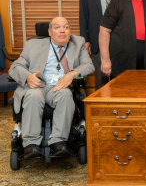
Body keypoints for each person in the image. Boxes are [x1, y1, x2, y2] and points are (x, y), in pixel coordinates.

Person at [9, 17, 95, 159]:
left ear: (70, 31)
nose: (62, 30)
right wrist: (28, 77)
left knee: (66, 95)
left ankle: (58, 142)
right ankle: (30, 144)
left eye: (66, 27)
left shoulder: (78, 43)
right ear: (49, 31)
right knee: (34, 95)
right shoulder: (32, 45)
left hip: (60, 88)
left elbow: (89, 65)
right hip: (37, 86)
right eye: (57, 27)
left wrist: (71, 74)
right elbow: (15, 67)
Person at [79, 0, 123, 90]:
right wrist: (85, 40)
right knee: (102, 78)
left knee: (120, 78)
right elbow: (83, 13)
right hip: (96, 39)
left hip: (121, 39)